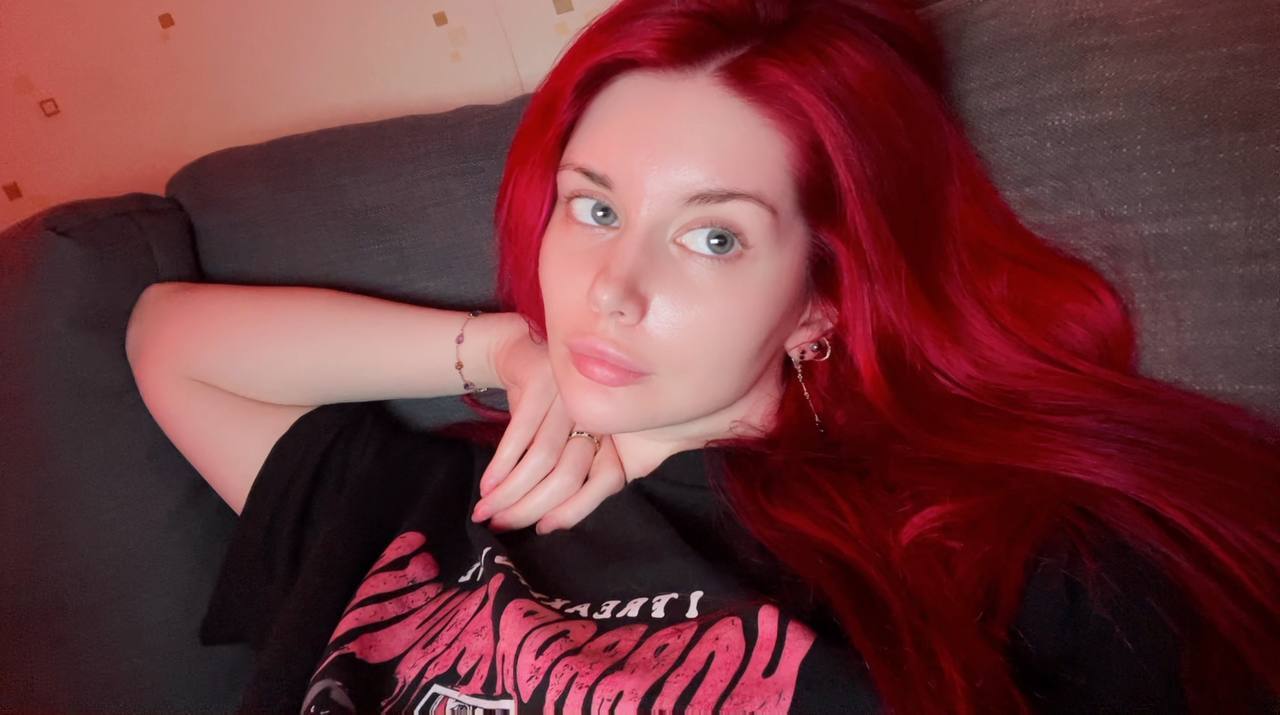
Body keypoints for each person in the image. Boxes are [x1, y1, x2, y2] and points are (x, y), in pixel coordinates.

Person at [124, 0, 1280, 712]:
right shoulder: (416, 506)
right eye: (592, 208)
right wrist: (504, 347)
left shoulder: (994, 563)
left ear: (819, 302)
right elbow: (165, 338)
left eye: (712, 236)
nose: (611, 289)